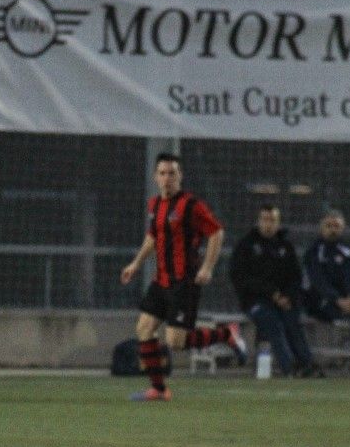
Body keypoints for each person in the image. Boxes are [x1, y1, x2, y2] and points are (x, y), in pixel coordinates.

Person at [120, 152, 247, 400]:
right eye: (163, 173)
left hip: (184, 282)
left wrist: (207, 267)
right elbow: (153, 237)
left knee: (176, 342)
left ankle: (226, 334)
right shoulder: (154, 205)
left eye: (172, 173)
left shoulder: (191, 205)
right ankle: (158, 389)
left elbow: (216, 233)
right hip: (161, 280)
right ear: (156, 177)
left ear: (180, 176)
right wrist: (135, 264)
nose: (167, 178)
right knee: (144, 328)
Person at [229, 205, 318, 377]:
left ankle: (307, 365)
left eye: (272, 220)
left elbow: (295, 277)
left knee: (292, 321)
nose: (268, 225)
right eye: (265, 220)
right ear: (258, 222)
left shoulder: (285, 247)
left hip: (283, 300)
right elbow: (241, 278)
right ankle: (289, 367)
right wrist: (272, 293)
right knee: (273, 323)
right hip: (255, 301)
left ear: (278, 223)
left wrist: (287, 297)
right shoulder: (246, 245)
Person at [301, 209, 350, 376]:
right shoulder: (314, 251)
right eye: (329, 226)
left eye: (336, 226)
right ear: (321, 228)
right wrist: (338, 299)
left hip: (345, 302)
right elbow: (318, 281)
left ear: (342, 228)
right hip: (322, 302)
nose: (332, 230)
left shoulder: (347, 250)